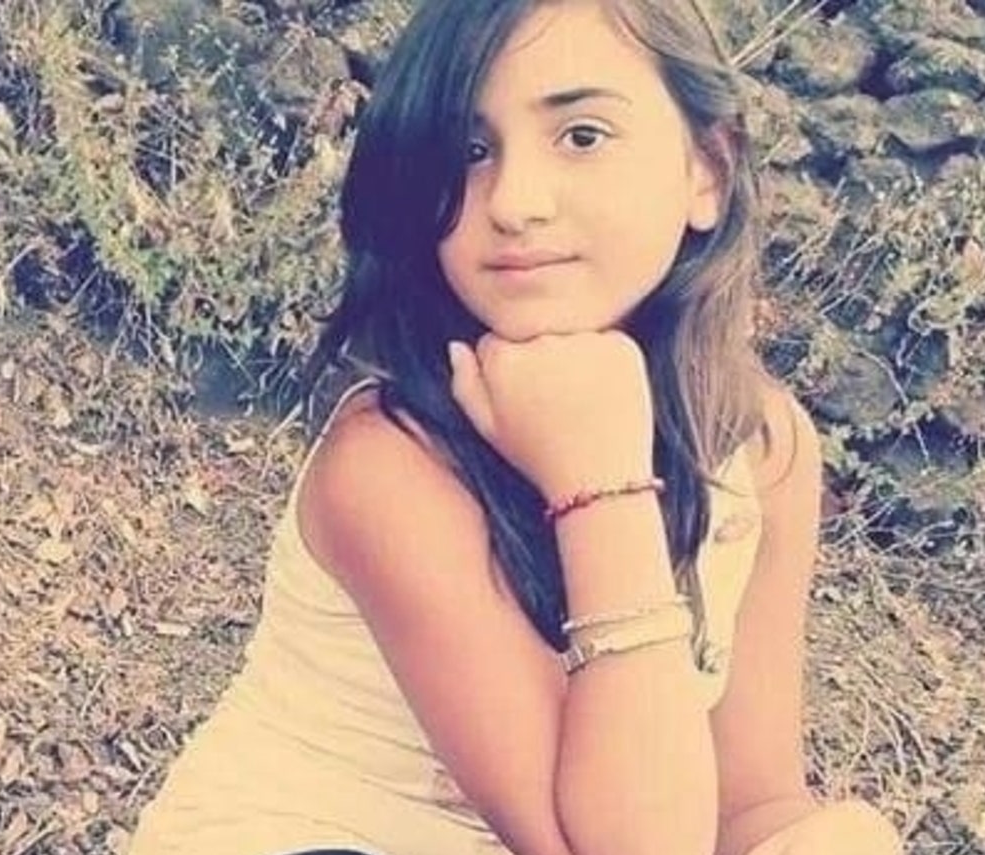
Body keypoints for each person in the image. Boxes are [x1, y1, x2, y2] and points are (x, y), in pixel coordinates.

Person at [128, 0, 905, 853]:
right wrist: (600, 483)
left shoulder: (761, 447)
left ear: (707, 172)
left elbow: (746, 804)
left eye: (582, 136)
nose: (515, 202)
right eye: (470, 150)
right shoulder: (389, 464)